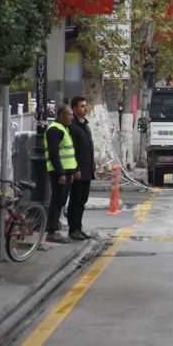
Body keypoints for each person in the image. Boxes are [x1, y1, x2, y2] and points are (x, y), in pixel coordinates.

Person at [44, 105, 81, 243]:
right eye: (68, 114)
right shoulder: (54, 130)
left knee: (60, 202)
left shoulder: (64, 128)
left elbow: (68, 152)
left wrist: (73, 170)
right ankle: (51, 231)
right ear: (60, 115)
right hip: (59, 173)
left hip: (67, 173)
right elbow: (54, 155)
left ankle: (54, 229)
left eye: (72, 114)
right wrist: (61, 174)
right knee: (56, 201)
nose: (71, 117)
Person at [67, 96, 95, 241]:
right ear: (74, 108)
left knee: (82, 200)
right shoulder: (72, 127)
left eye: (86, 105)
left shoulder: (85, 125)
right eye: (82, 106)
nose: (85, 108)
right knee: (75, 200)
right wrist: (75, 168)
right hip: (78, 171)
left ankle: (78, 227)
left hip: (87, 170)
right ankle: (73, 229)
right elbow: (72, 150)